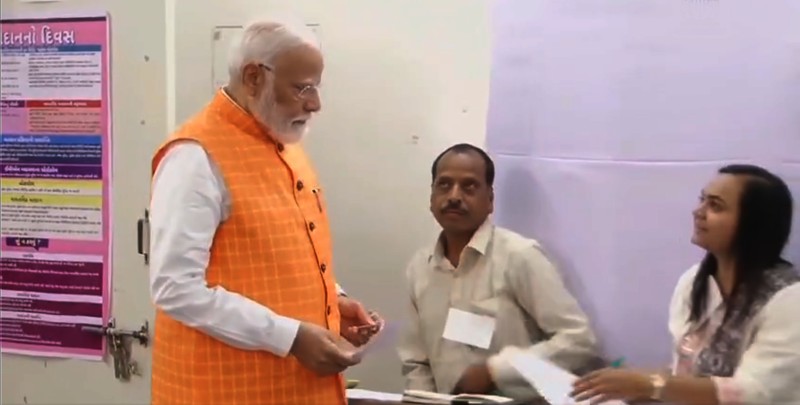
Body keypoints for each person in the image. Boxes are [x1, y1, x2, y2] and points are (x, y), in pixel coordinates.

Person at [147, 16, 382, 405]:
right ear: (254, 77)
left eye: (316, 88)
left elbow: (279, 252)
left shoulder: (283, 141)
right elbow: (175, 287)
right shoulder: (195, 157)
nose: (315, 103)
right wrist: (290, 337)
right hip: (224, 392)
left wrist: (332, 302)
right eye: (302, 88)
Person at [571, 164, 800, 405]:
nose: (698, 212)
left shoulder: (789, 299)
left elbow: (753, 393)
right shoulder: (694, 281)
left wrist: (649, 385)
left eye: (715, 206)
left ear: (754, 224)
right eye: (702, 200)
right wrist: (632, 386)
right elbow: (686, 370)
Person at [397, 143, 599, 400]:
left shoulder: (518, 256)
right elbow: (416, 361)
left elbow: (579, 340)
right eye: (444, 185)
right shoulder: (420, 267)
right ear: (431, 197)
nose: (454, 196)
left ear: (490, 200)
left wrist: (496, 370)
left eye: (469, 187)